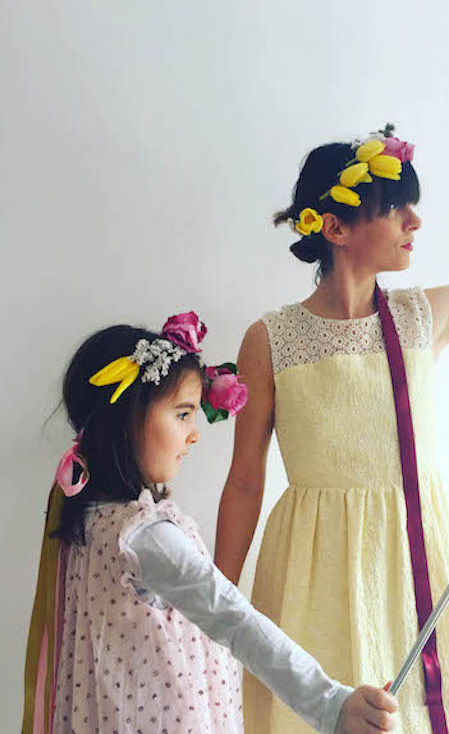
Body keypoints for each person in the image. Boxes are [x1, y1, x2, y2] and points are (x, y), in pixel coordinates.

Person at [214, 80, 449, 733]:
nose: (415, 222)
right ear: (335, 228)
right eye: (396, 208)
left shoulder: (423, 317)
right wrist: (212, 605)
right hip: (312, 573)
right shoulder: (271, 339)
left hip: (412, 561)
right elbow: (245, 480)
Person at [22, 311, 399, 733]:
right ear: (126, 418)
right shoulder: (144, 536)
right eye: (182, 414)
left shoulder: (86, 517)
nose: (194, 434)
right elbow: (235, 619)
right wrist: (331, 704)